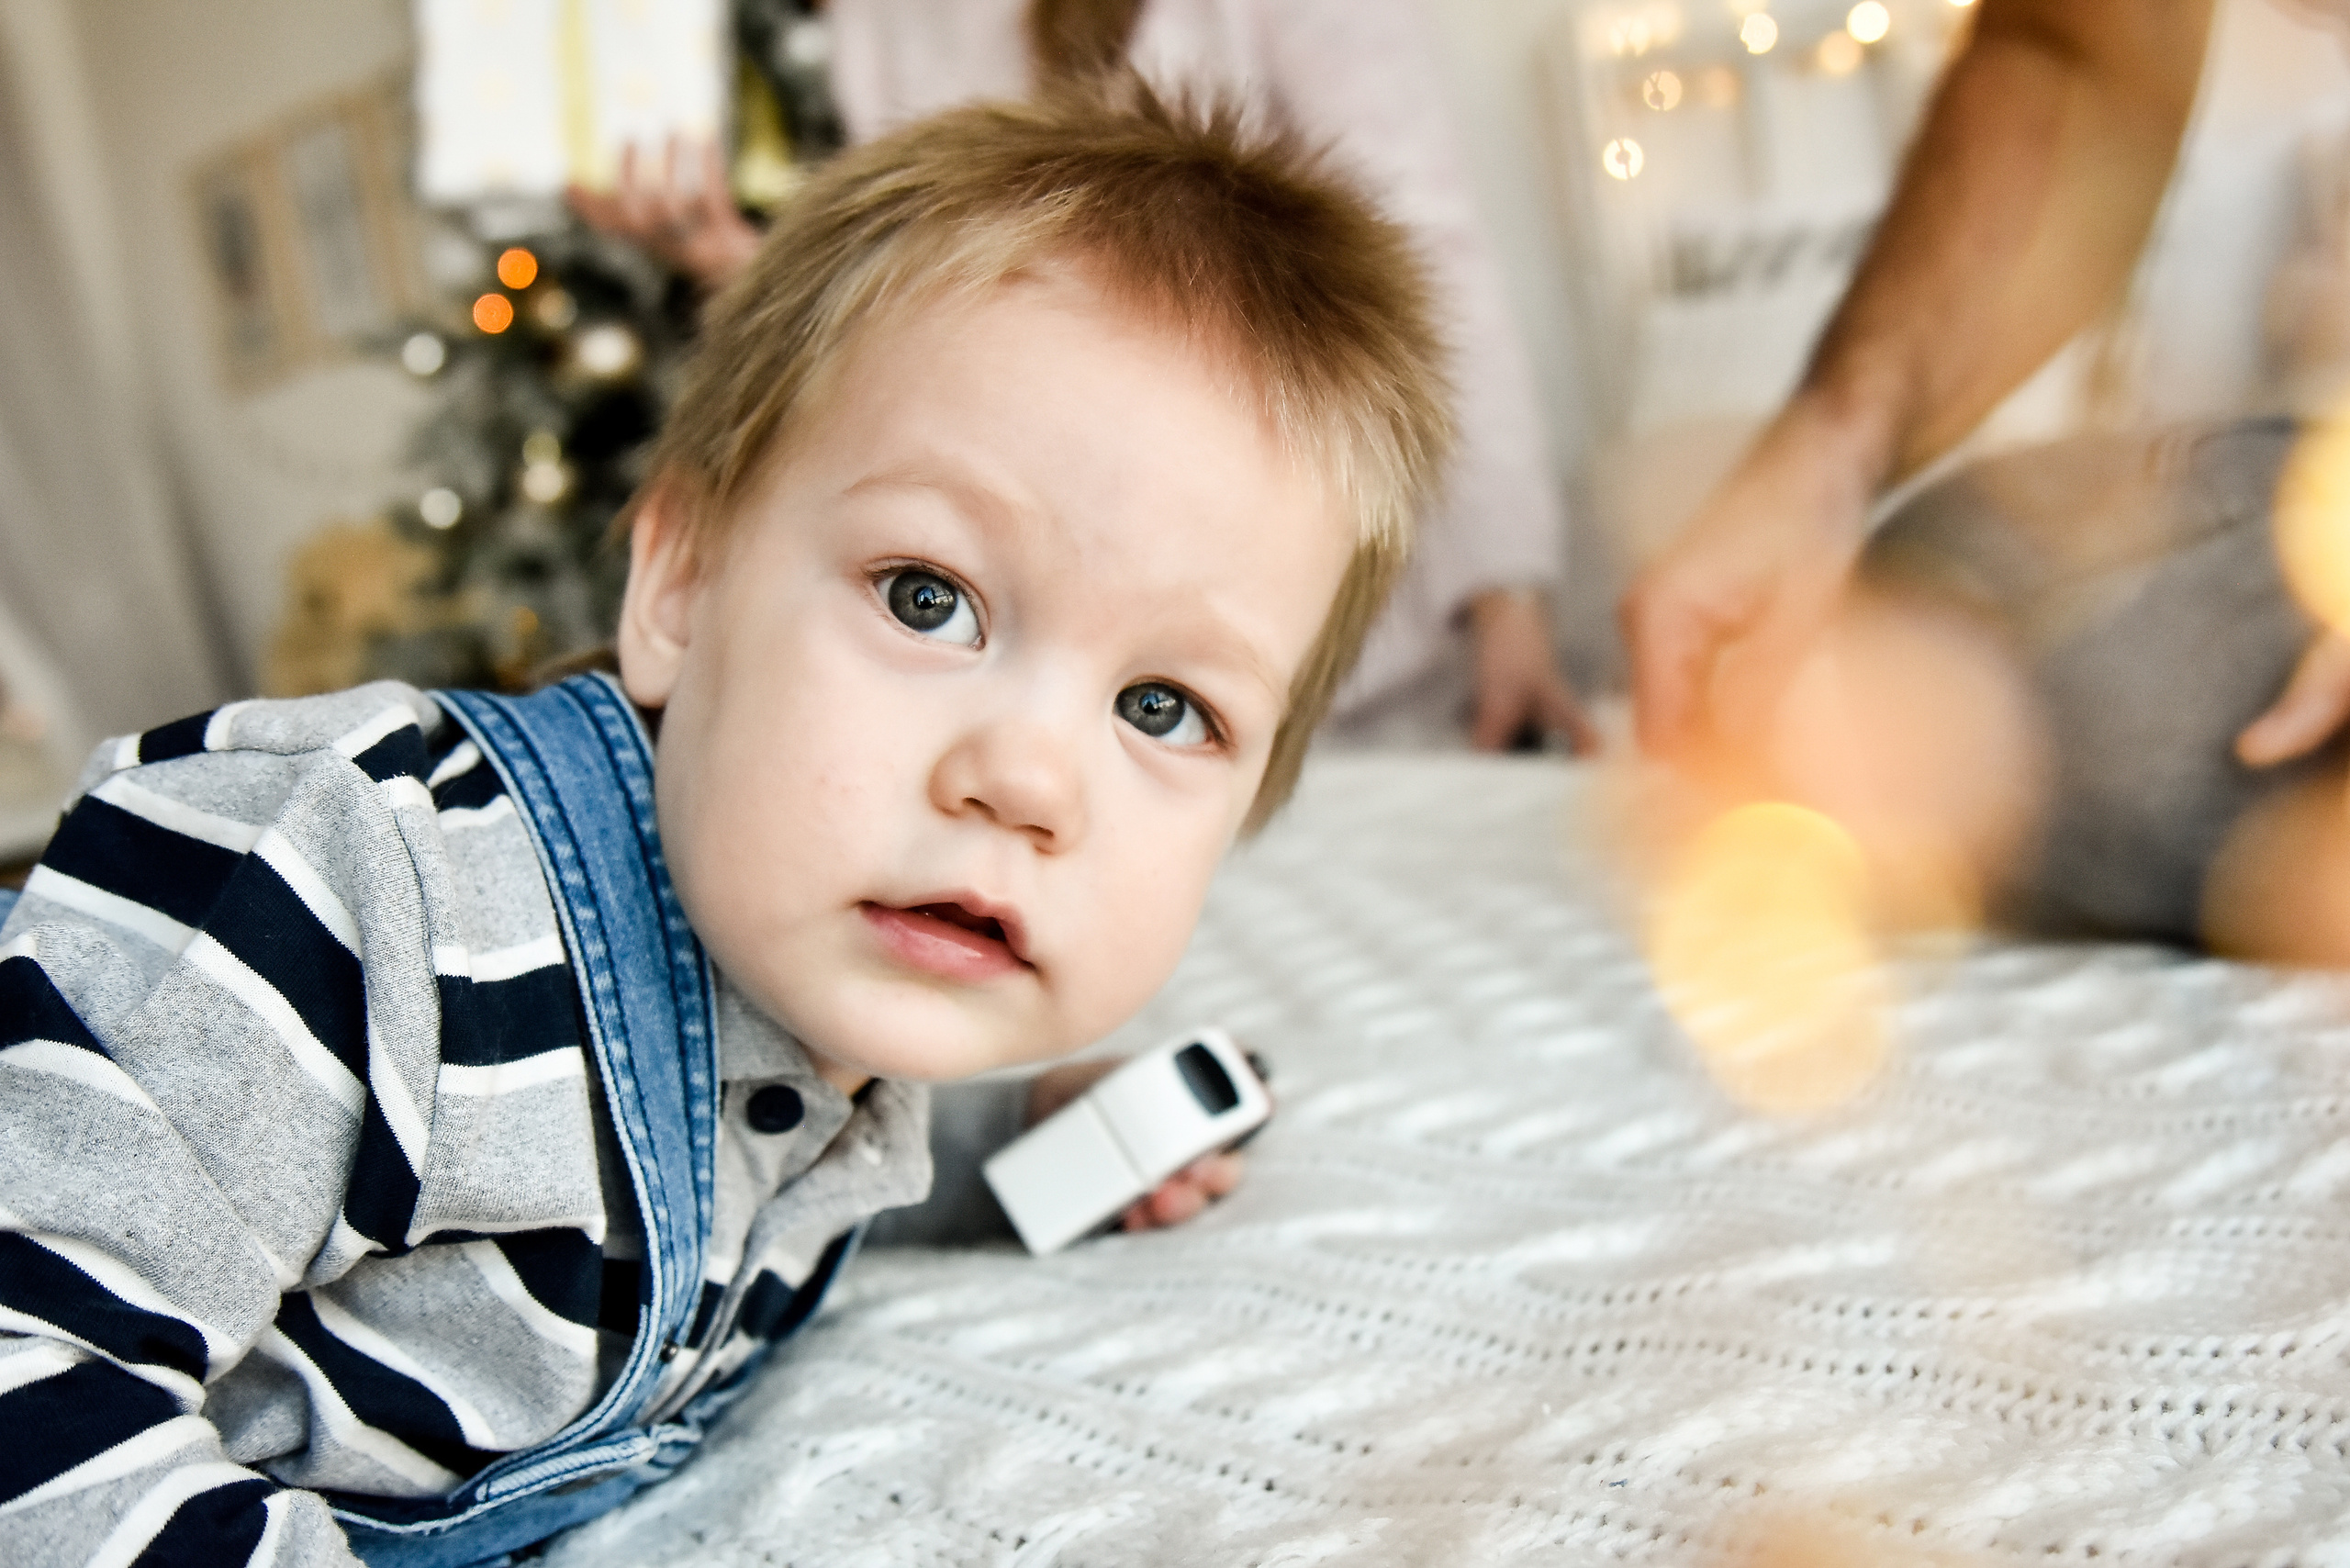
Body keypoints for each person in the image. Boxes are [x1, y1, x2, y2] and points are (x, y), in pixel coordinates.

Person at [0, 85, 1450, 1567]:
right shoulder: (353, 903)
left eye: (1163, 706)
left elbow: (730, 1167)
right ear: (683, 588)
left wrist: (1003, 1140)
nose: (1029, 779)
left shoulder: (814, 994)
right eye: (929, 598)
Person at [570, 0, 1595, 754]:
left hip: (1339, 633)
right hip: (1053, 616)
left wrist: (1507, 601)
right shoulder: (880, 19)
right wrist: (728, 258)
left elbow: (1426, 249)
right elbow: (930, 319)